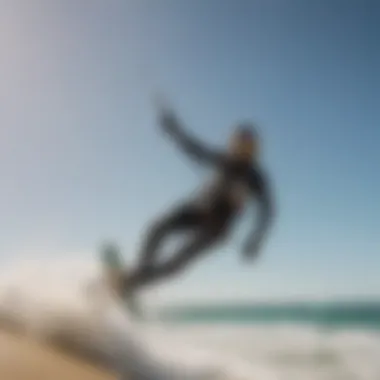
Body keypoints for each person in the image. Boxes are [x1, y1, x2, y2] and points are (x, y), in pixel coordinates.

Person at [123, 104, 275, 295]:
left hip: (216, 229)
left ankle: (133, 284)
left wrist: (255, 240)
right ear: (233, 143)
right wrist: (174, 129)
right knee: (157, 229)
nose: (242, 148)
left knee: (175, 265)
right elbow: (194, 148)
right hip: (198, 210)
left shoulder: (256, 177)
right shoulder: (223, 159)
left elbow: (267, 212)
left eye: (248, 144)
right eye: (238, 142)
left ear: (254, 149)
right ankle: (139, 271)